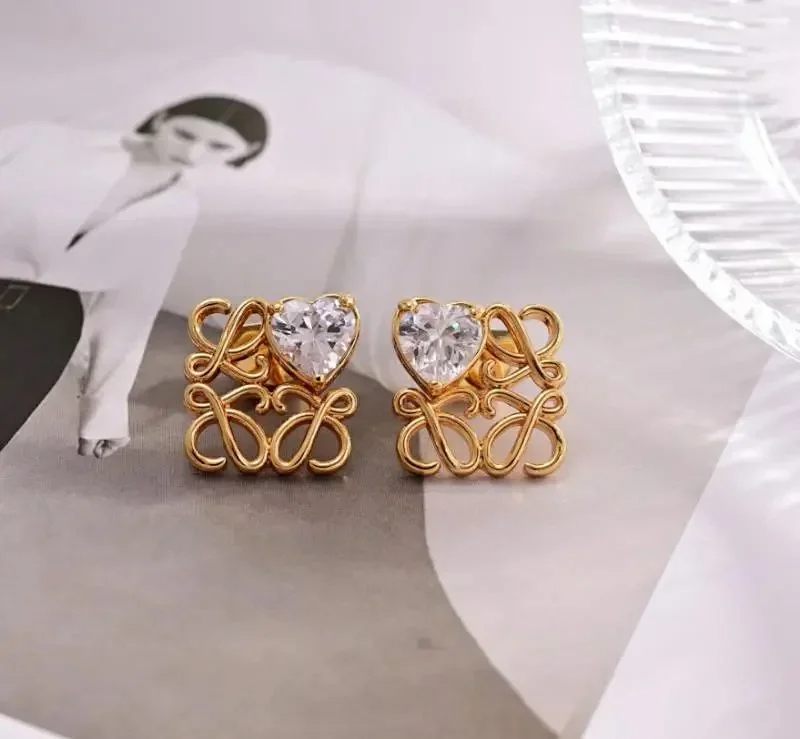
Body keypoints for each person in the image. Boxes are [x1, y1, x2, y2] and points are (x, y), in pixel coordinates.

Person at [0, 94, 269, 458]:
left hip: (42, 324)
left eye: (218, 147)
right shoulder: (43, 141)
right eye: (185, 134)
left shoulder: (178, 207)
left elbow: (130, 305)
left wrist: (104, 410)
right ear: (160, 119)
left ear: (245, 153)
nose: (193, 152)